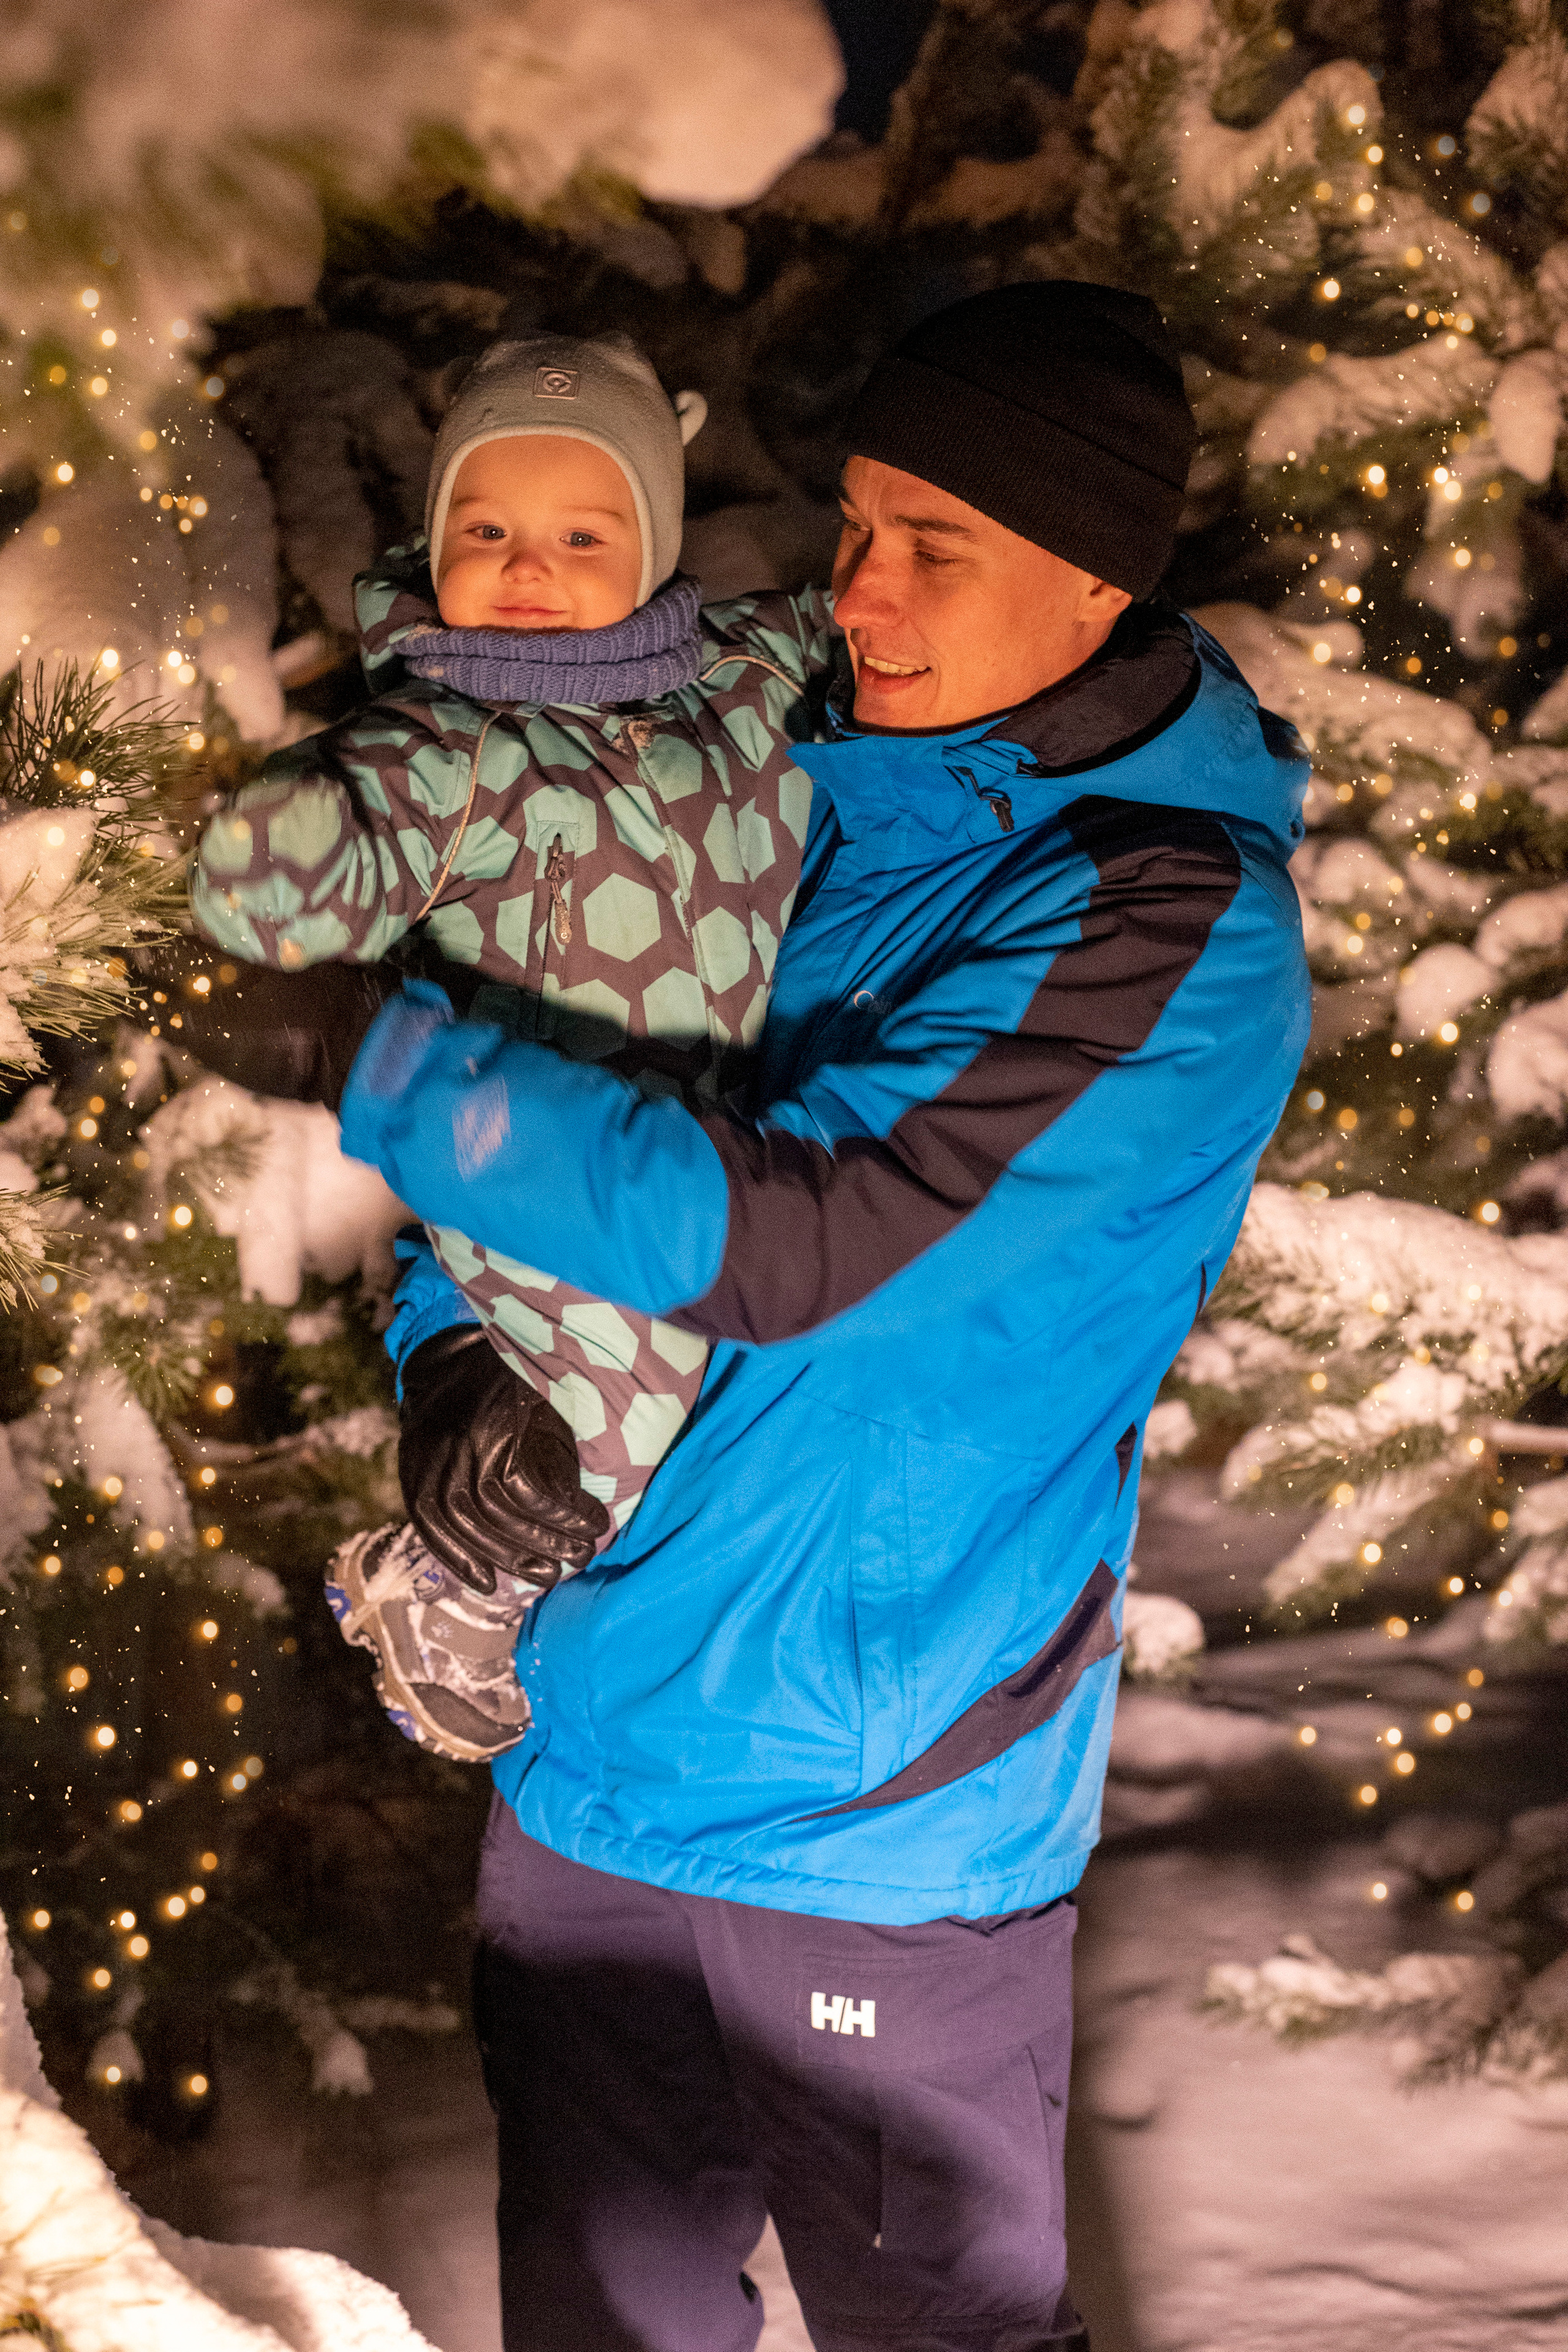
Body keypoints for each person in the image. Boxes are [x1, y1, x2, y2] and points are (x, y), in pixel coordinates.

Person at [229, 281, 1313, 2352]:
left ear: (1095, 578)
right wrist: (452, 1362)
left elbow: (805, 1234)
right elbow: (552, 1122)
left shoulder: (1166, 911)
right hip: (587, 1778)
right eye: (858, 527)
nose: (861, 594)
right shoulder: (773, 786)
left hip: (880, 1828)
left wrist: (366, 1057)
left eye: (938, 548)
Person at [183, 330, 832, 1759]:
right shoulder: (452, 747)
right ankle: (454, 1588)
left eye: (579, 534)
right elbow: (321, 850)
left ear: (655, 542)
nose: (526, 566)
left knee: (712, 1384)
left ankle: (508, 1569)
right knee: (625, 1413)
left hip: (696, 1156)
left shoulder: (749, 679)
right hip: (532, 1162)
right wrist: (281, 847)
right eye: (485, 531)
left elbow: (854, 630)